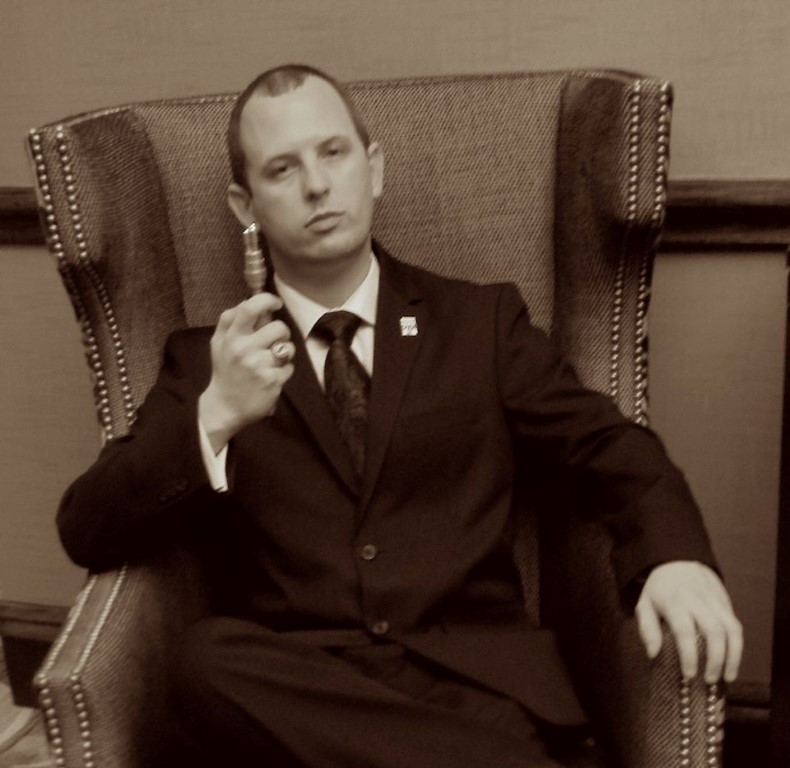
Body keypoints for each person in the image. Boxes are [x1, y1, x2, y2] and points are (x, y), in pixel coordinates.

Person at [57, 64, 742, 767]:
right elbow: (86, 526)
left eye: (333, 153)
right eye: (282, 169)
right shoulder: (210, 360)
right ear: (245, 205)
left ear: (374, 167)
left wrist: (674, 555)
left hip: (474, 687)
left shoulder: (480, 323)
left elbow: (609, 447)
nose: (316, 185)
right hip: (303, 697)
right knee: (204, 664)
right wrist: (214, 417)